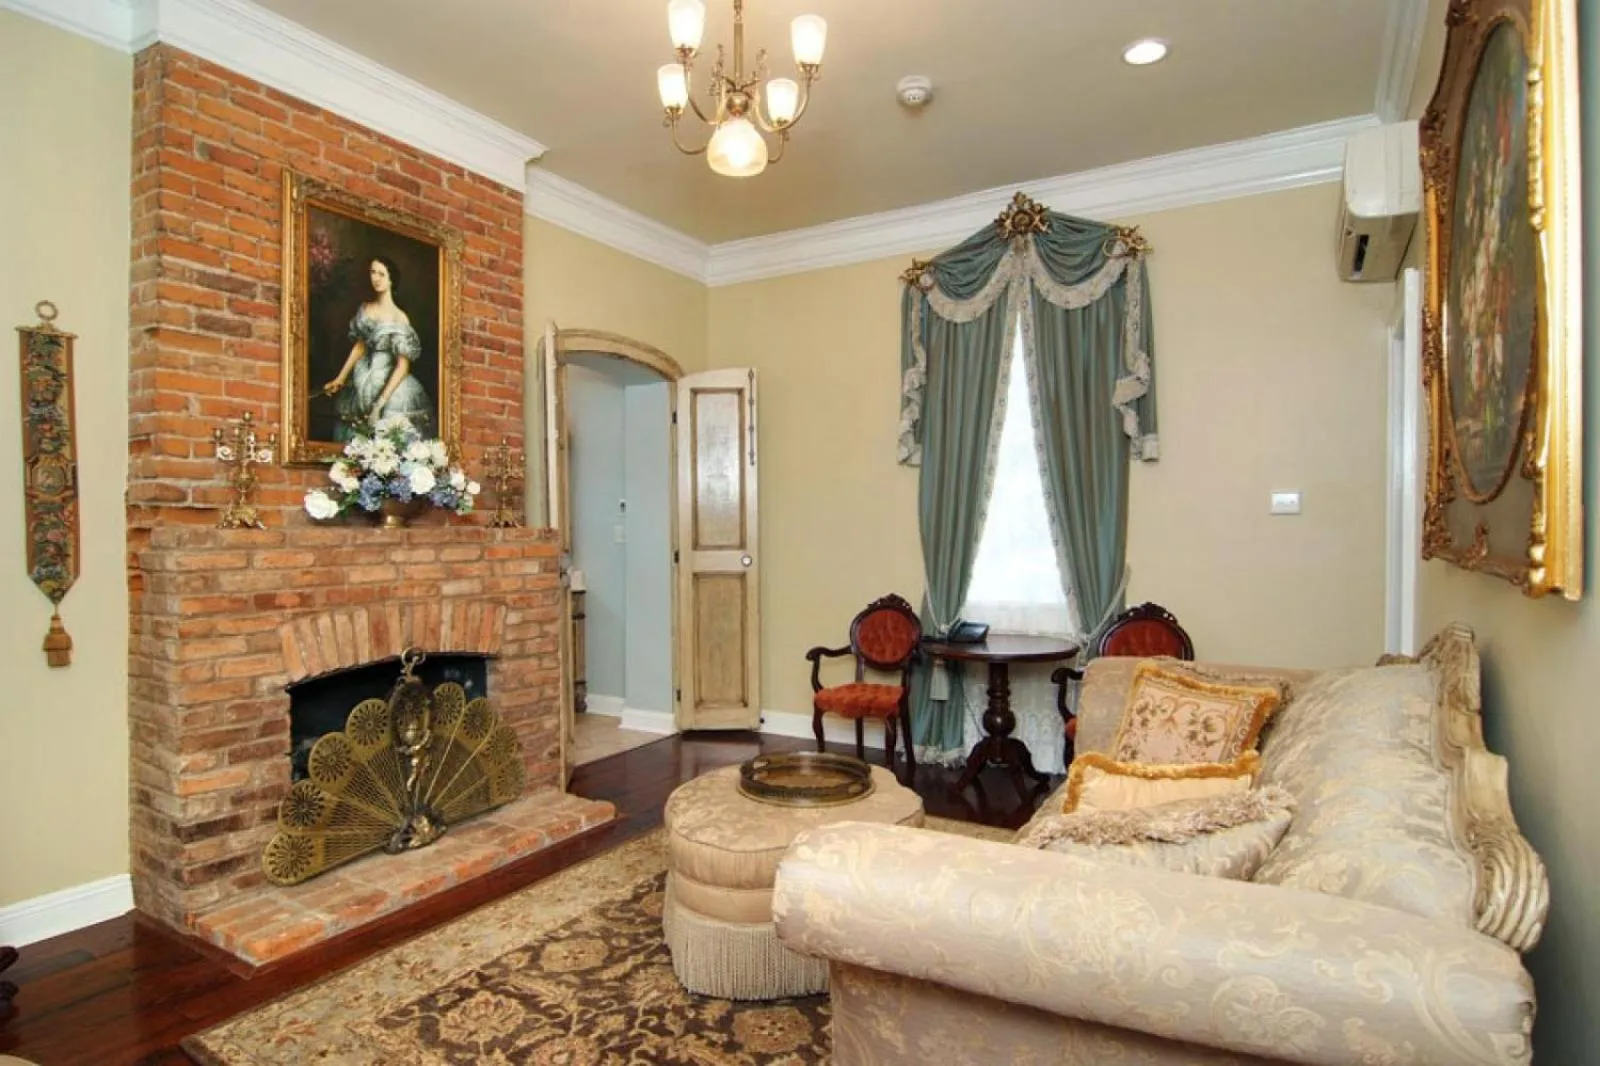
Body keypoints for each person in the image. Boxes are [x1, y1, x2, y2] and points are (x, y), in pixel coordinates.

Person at [322, 256, 433, 439]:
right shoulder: (366, 308)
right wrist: (340, 378)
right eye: (373, 272)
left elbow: (402, 367)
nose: (376, 278)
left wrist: (380, 404)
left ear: (391, 279)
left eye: (382, 274)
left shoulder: (400, 318)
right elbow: (360, 347)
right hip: (361, 378)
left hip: (390, 385)